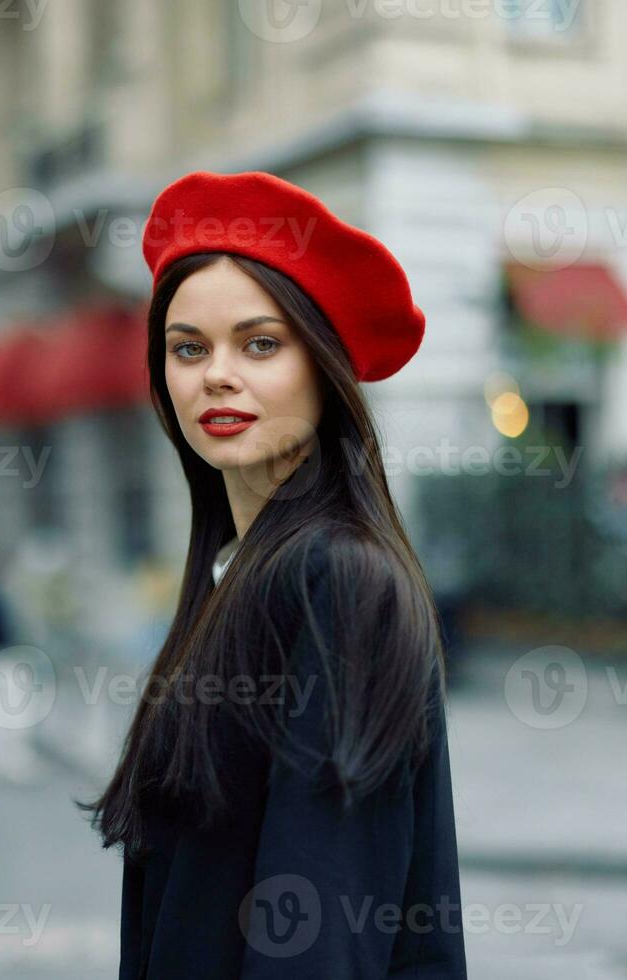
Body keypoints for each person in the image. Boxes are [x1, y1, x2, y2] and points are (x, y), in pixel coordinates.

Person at [82, 171, 467, 977]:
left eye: (260, 343)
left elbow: (315, 927)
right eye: (188, 348)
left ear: (323, 371)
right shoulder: (235, 577)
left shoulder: (342, 582)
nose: (216, 374)